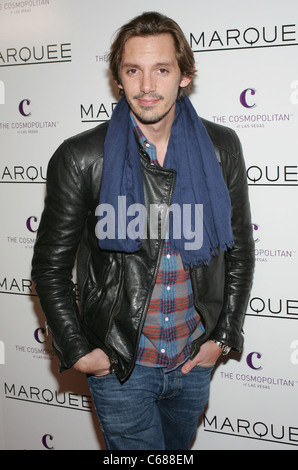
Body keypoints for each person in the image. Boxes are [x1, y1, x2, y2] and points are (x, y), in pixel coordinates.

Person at [31, 11, 255, 450]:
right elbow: (49, 268)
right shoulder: (81, 157)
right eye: (133, 70)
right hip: (123, 367)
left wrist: (224, 336)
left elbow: (240, 249)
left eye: (162, 69)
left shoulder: (221, 147)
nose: (146, 85)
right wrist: (80, 351)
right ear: (118, 79)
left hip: (193, 361)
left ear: (185, 76)